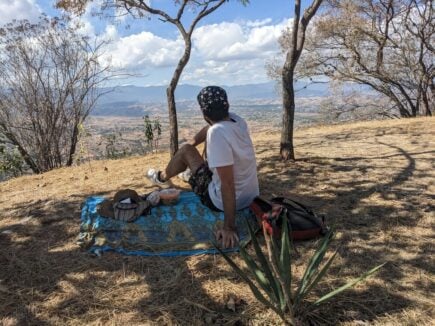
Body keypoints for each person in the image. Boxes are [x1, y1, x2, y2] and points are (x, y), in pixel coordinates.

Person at [147, 86, 259, 248]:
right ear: (226, 105)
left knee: (185, 150)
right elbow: (210, 128)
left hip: (220, 201)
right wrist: (193, 143)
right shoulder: (238, 121)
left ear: (203, 112)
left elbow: (227, 184)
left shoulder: (217, 133)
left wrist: (229, 226)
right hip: (251, 196)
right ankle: (183, 169)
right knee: (189, 148)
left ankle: (161, 178)